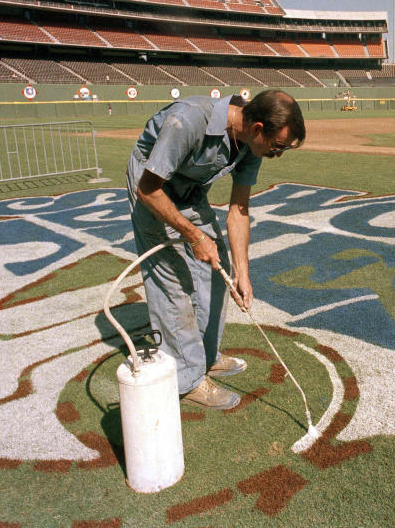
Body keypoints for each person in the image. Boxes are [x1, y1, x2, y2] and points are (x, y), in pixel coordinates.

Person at [127, 89, 305, 409]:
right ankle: (187, 378)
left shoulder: (250, 144)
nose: (276, 154)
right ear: (258, 128)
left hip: (189, 189)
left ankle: (205, 357)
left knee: (216, 268)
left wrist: (242, 274)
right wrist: (194, 236)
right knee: (172, 281)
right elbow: (148, 190)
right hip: (152, 185)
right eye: (277, 147)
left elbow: (239, 209)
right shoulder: (189, 120)